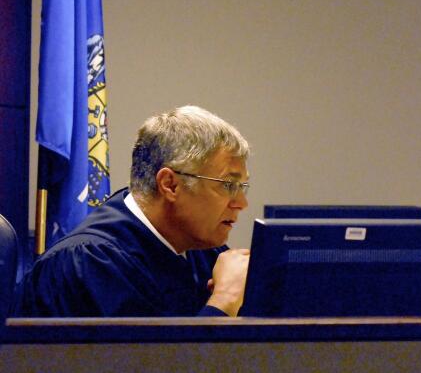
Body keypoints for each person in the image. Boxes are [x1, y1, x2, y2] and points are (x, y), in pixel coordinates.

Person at [14, 106, 251, 317]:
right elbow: (156, 364)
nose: (241, 202)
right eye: (228, 185)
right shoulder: (89, 264)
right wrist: (225, 299)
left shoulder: (201, 248)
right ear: (170, 184)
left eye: (242, 188)